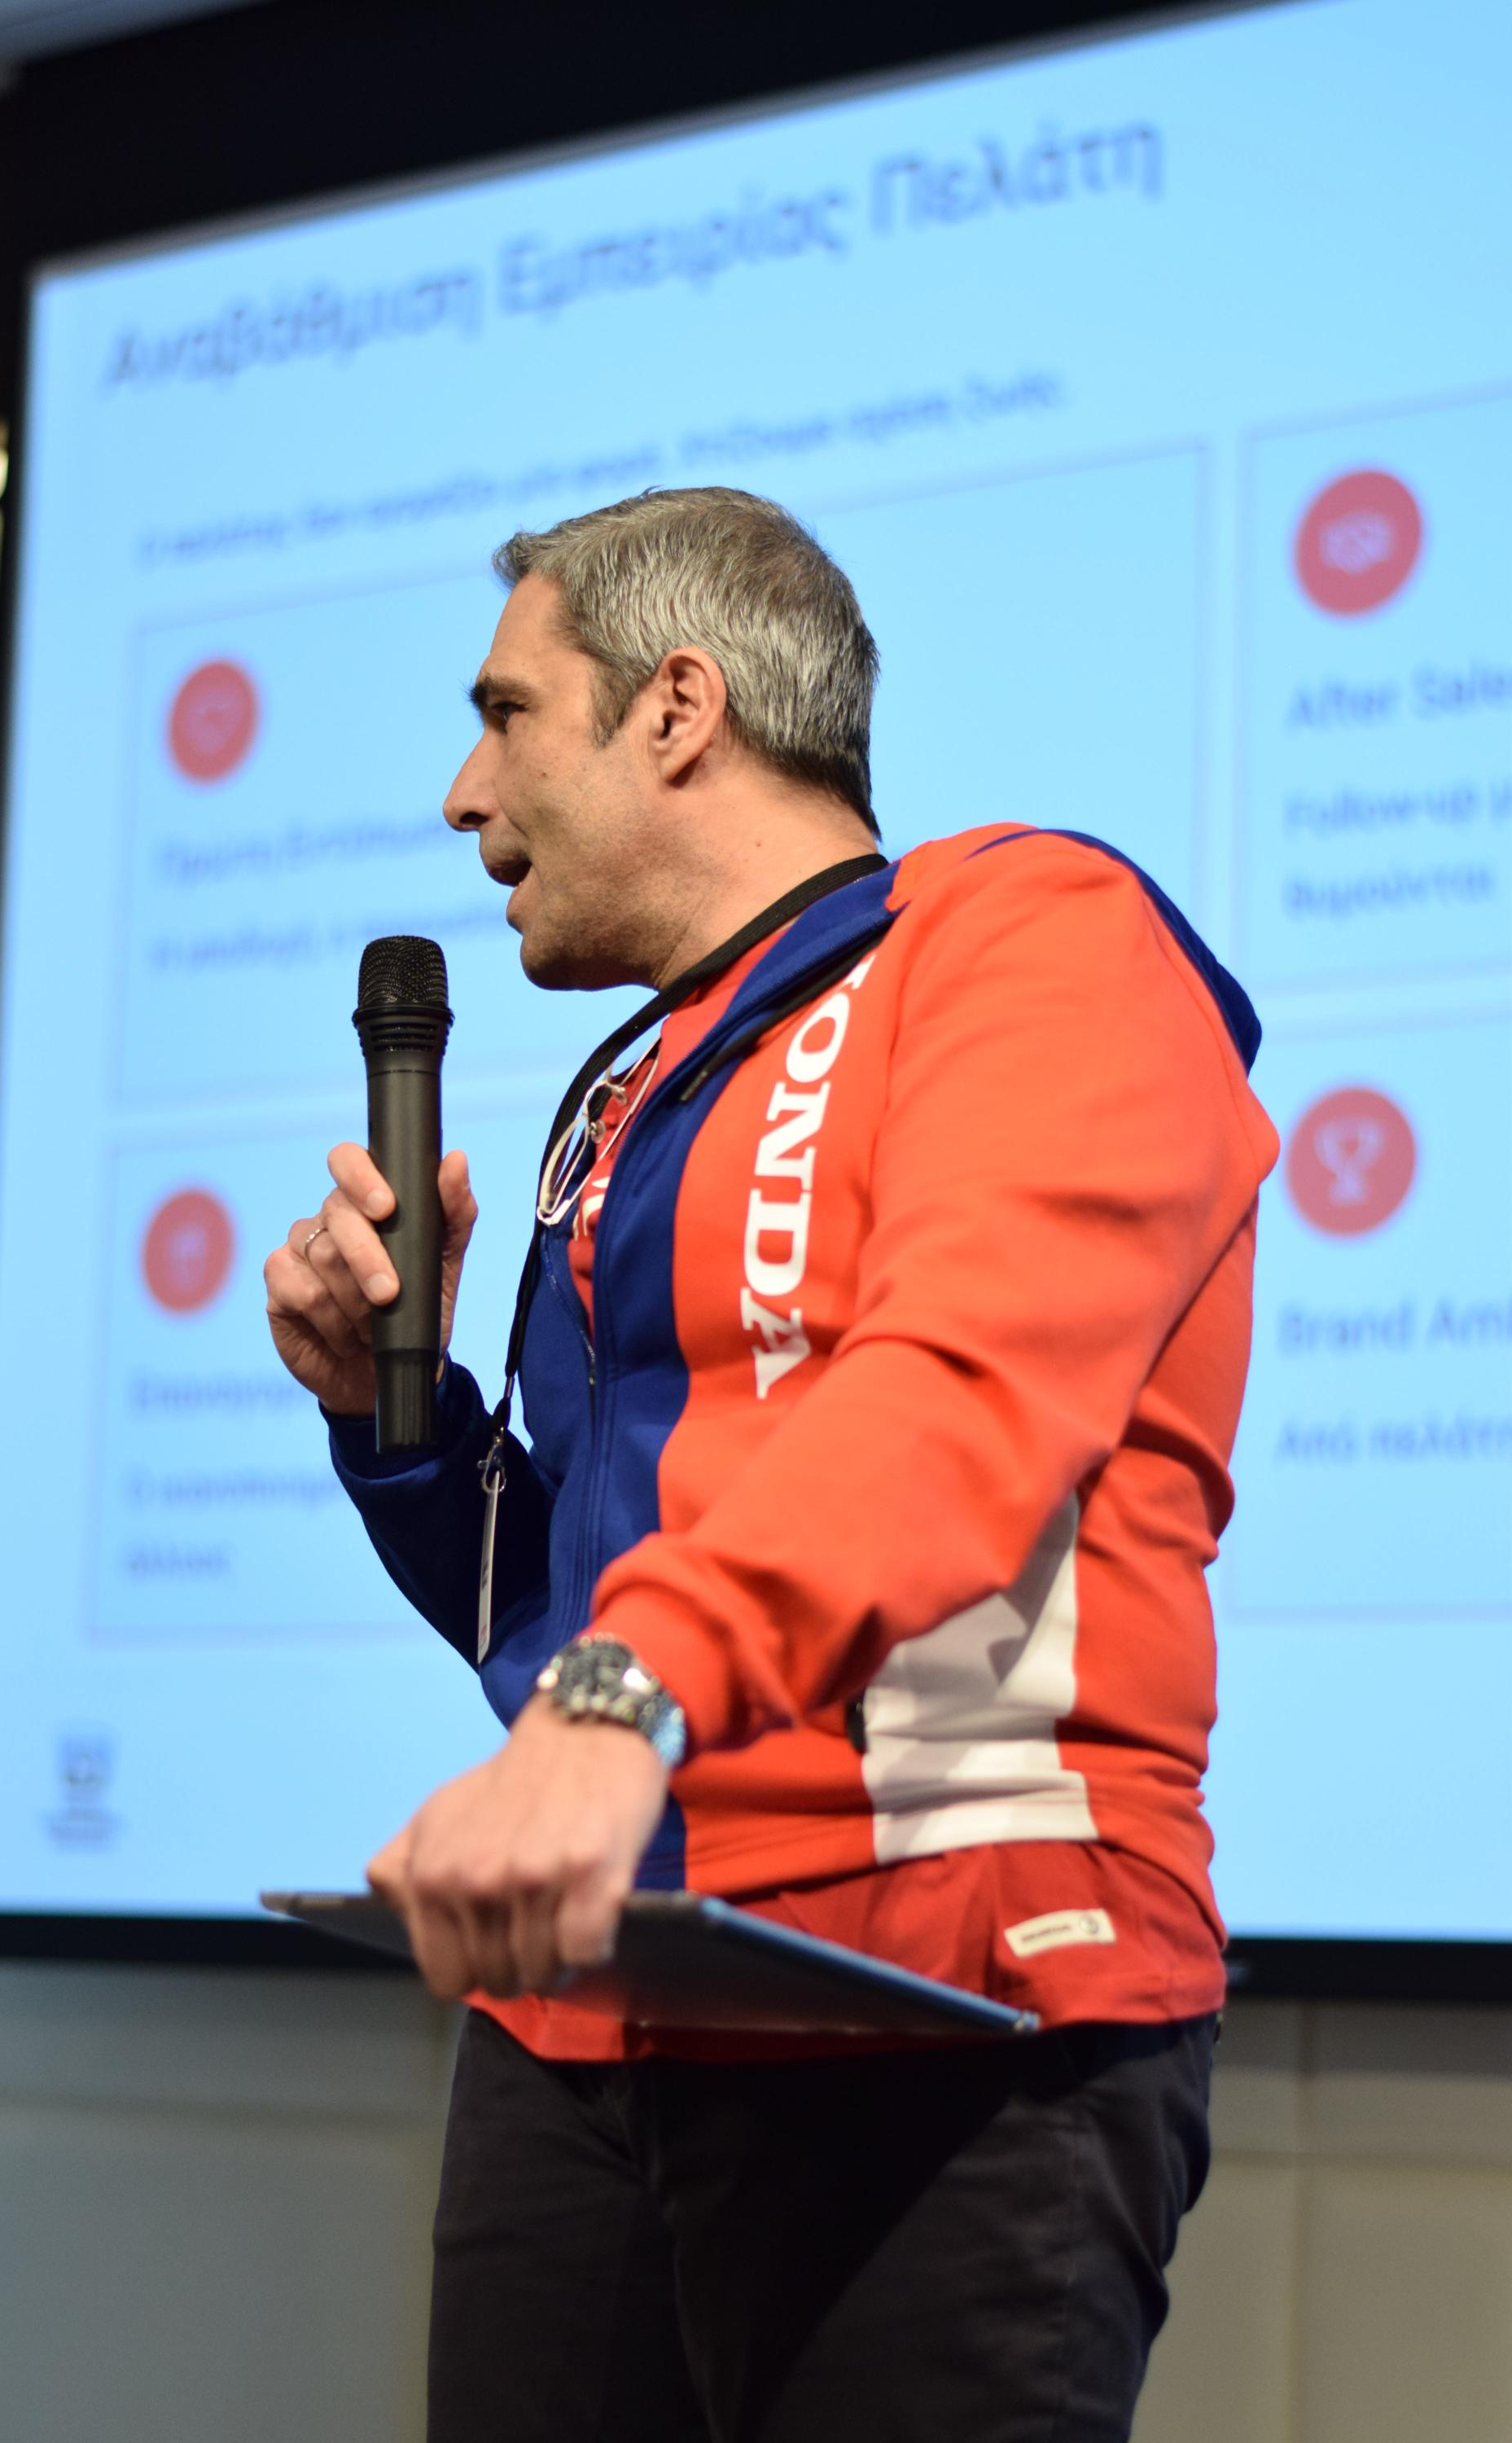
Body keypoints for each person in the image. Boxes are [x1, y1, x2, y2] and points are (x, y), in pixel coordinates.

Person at [264, 487, 1278, 2443]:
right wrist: (395, 1426)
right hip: (595, 1997)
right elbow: (564, 1602)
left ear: (677, 709)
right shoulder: (629, 1090)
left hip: (945, 1979)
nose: (464, 796)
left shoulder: (1027, 930)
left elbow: (957, 1395)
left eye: (505, 716)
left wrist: (612, 1696)